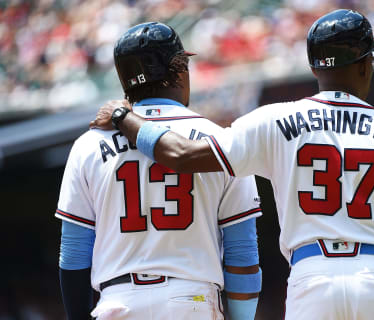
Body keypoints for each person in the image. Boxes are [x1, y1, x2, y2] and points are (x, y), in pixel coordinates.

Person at [91, 10, 374, 320]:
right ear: (364, 64)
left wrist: (125, 116)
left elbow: (181, 156)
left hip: (312, 280)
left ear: (314, 66)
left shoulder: (276, 120)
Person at [57, 22, 262, 320]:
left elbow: (74, 252)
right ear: (179, 71)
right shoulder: (219, 139)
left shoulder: (88, 144)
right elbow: (241, 253)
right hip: (192, 300)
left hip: (117, 304)